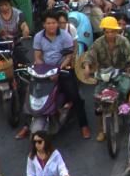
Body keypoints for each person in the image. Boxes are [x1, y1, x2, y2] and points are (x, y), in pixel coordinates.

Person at [20, 9, 90, 140]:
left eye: (54, 23)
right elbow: (38, 57)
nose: (52, 25)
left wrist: (58, 71)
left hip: (63, 67)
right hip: (44, 69)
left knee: (74, 95)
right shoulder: (39, 37)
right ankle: (26, 125)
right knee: (30, 92)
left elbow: (69, 56)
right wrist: (45, 71)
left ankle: (84, 125)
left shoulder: (65, 36)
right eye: (49, 23)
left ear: (57, 23)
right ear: (44, 24)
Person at [74, 18, 130, 141]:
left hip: (120, 73)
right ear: (103, 31)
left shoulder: (123, 41)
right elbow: (89, 56)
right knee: (98, 102)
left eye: (112, 32)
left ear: (116, 31)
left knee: (126, 90)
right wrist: (87, 67)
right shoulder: (98, 43)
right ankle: (102, 130)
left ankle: (129, 113)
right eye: (107, 32)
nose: (110, 34)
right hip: (104, 75)